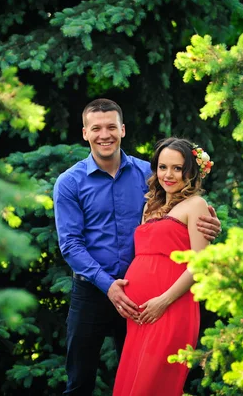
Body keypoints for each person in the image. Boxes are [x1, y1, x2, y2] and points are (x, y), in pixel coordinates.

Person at [53, 98, 222, 396]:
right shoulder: (69, 182)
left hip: (141, 300)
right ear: (85, 133)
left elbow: (181, 210)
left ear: (123, 130)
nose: (104, 134)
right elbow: (70, 245)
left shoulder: (152, 175)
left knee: (140, 377)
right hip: (92, 291)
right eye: (96, 128)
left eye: (111, 127)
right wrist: (108, 286)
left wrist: (209, 225)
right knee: (79, 380)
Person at [112, 137, 212, 396]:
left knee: (154, 384)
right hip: (140, 314)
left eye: (177, 168)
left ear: (190, 171)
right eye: (163, 167)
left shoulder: (196, 205)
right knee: (134, 382)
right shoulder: (151, 205)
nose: (169, 175)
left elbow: (199, 263)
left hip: (172, 307)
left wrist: (163, 300)